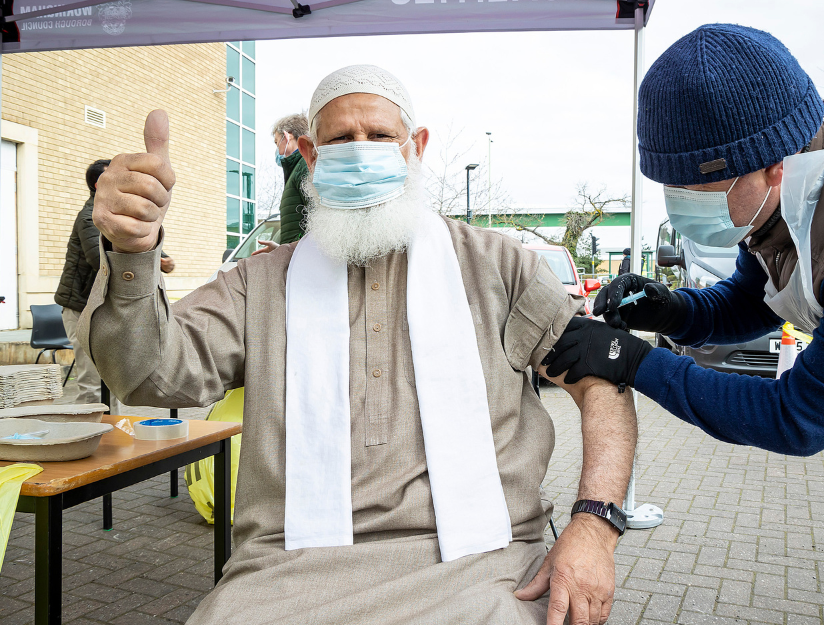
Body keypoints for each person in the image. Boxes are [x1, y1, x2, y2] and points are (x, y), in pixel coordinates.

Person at [83, 64, 637, 625]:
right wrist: (133, 254)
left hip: (481, 567)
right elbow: (148, 375)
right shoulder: (260, 283)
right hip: (286, 570)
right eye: (341, 138)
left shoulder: (498, 267)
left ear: (415, 147)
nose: (361, 150)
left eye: (380, 136)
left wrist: (594, 524)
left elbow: (602, 382)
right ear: (309, 154)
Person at [542, 24, 824, 622]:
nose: (683, 205)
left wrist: (636, 362)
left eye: (700, 187)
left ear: (774, 167)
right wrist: (669, 309)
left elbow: (798, 417)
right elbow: (756, 298)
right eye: (670, 187)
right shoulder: (786, 187)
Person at [53, 159, 109, 404]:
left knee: (111, 383)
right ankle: (87, 438)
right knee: (92, 386)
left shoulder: (109, 216)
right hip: (80, 309)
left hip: (100, 308)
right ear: (99, 184)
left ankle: (114, 434)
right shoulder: (89, 218)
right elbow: (100, 259)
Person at [255, 113, 310, 255]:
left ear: (287, 136)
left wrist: (289, 251)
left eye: (276, 142)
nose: (277, 150)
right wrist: (281, 249)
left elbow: (315, 222)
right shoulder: (297, 168)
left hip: (303, 262)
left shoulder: (304, 167)